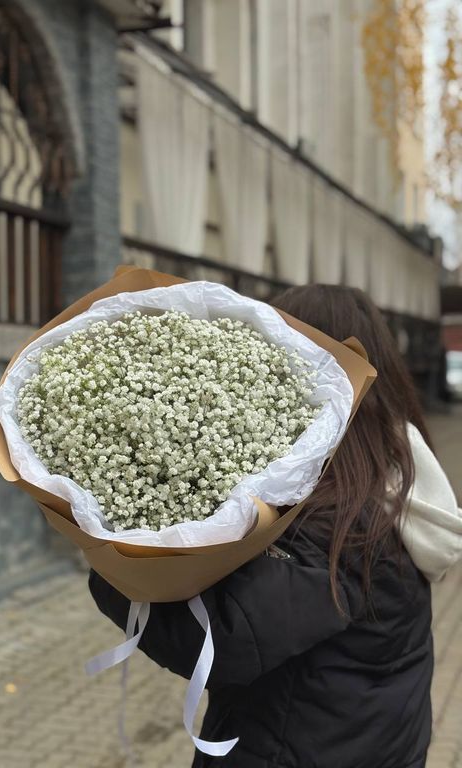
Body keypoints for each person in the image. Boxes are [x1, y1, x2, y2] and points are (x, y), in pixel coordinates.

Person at [89, 284, 462, 768]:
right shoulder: (392, 478)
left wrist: (110, 555)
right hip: (368, 741)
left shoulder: (341, 523)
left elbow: (220, 642)